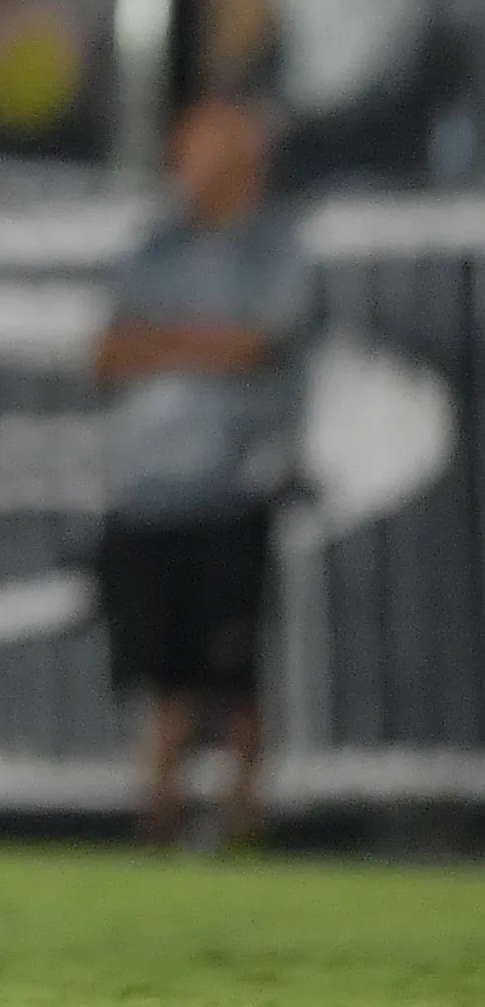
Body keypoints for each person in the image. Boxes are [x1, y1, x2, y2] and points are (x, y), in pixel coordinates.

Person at [93, 96, 313, 849]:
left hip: (234, 483)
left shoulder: (274, 250)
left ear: (239, 164)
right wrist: (201, 342)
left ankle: (244, 813)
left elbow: (261, 342)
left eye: (196, 154)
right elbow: (106, 352)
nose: (180, 168)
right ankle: (159, 809)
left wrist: (163, 341)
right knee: (161, 663)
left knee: (233, 663)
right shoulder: (155, 249)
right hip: (150, 487)